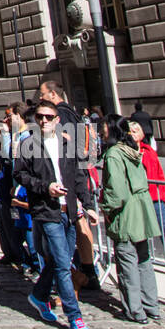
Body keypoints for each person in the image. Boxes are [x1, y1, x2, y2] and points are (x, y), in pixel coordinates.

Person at [14, 100, 99, 329]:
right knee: (63, 264)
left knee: (56, 260)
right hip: (46, 211)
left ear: (57, 119)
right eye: (40, 116)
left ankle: (39, 296)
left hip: (69, 211)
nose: (44, 121)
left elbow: (79, 178)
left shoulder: (66, 144)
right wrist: (46, 187)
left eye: (49, 117)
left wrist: (89, 206)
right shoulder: (27, 144)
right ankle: (75, 317)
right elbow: (20, 175)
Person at [39, 78, 99, 290]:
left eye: (43, 95)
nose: (40, 98)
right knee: (79, 224)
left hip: (71, 178)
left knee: (70, 230)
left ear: (53, 95)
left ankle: (83, 275)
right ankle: (88, 270)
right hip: (81, 172)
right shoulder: (74, 113)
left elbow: (64, 149)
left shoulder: (61, 115)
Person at [101, 115, 161, 323]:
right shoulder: (132, 150)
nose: (101, 132)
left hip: (126, 212)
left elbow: (116, 190)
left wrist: (106, 208)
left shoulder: (114, 153)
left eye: (104, 128)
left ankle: (135, 309)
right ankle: (151, 305)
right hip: (141, 209)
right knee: (143, 259)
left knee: (127, 261)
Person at [129, 121, 165, 270]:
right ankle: (141, 260)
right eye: (131, 131)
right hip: (137, 198)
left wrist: (164, 194)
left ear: (142, 134)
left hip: (154, 196)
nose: (133, 134)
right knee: (139, 231)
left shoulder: (149, 151)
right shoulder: (126, 152)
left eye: (136, 130)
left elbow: (159, 173)